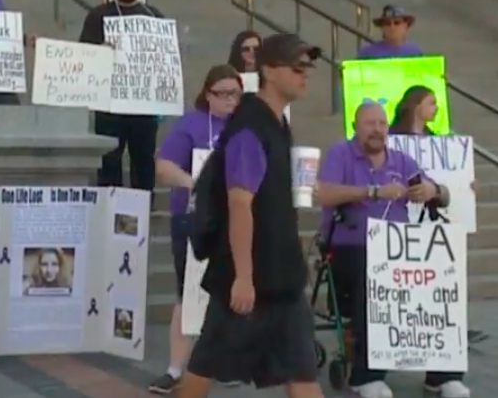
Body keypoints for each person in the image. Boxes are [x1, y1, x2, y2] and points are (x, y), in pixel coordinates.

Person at [179, 33, 324, 398]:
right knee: (205, 362)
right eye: (298, 67)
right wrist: (243, 277)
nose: (306, 74)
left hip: (283, 275)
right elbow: (239, 203)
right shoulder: (250, 128)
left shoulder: (277, 123)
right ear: (269, 71)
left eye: (308, 67)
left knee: (302, 369)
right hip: (250, 276)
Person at [316, 102, 468, 398]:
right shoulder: (340, 154)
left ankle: (443, 374)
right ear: (355, 127)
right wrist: (371, 192)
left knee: (443, 277)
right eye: (370, 124)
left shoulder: (400, 160)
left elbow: (444, 195)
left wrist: (432, 191)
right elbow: (321, 192)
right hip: (351, 247)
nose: (377, 130)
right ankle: (366, 376)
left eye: (382, 124)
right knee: (373, 276)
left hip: (397, 249)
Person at [148, 65, 243, 394]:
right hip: (193, 218)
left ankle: (225, 359)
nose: (231, 100)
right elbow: (164, 167)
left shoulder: (246, 128)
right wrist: (195, 184)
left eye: (236, 93)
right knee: (186, 293)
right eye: (223, 93)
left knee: (229, 290)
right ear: (207, 94)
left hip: (235, 218)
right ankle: (175, 368)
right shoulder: (190, 124)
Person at [390, 86, 488, 346]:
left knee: (444, 272)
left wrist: (466, 185)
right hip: (406, 218)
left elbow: (448, 177)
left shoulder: (437, 141)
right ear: (416, 106)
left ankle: (452, 324)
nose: (436, 109)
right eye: (431, 103)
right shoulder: (393, 139)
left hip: (434, 218)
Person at [78, 0, 165, 194]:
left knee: (144, 160)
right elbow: (83, 53)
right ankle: (108, 211)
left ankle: (144, 211)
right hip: (110, 103)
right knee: (109, 160)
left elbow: (167, 56)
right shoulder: (98, 15)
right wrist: (100, 49)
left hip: (143, 103)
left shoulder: (154, 15)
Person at [357, 5, 424, 59]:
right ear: (382, 28)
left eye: (397, 23)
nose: (392, 27)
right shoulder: (367, 53)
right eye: (387, 23)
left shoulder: (415, 52)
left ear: (405, 26)